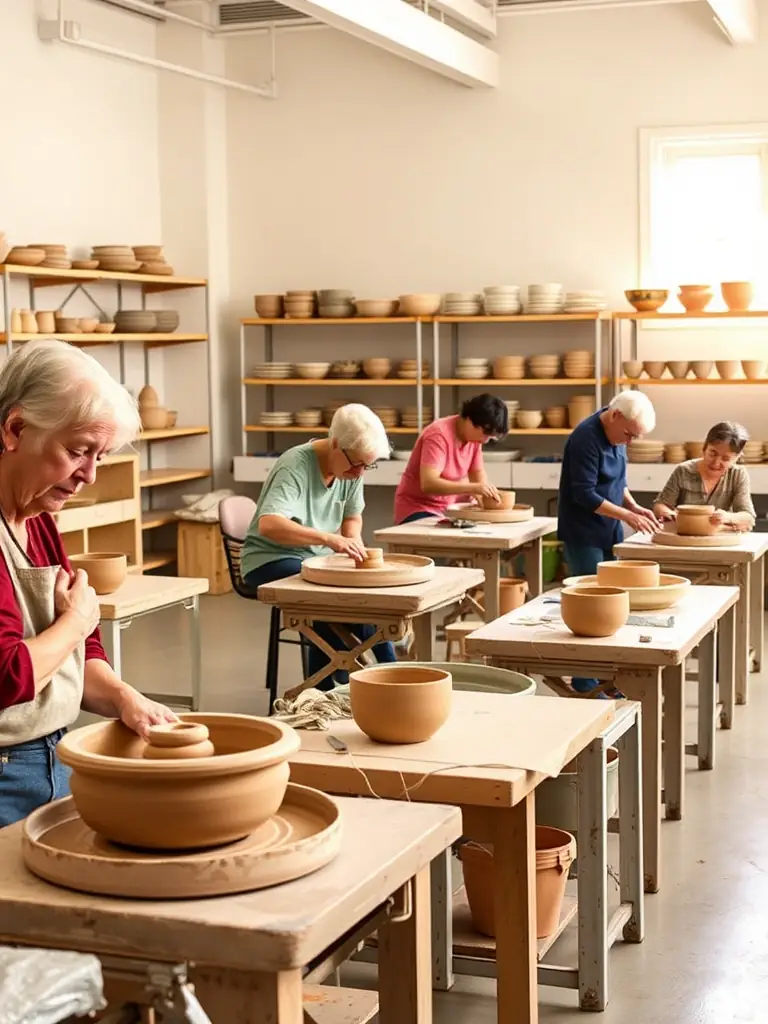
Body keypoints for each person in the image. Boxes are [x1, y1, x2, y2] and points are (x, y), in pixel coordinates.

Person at [0, 339, 177, 828]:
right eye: (78, 451)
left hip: (52, 756)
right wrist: (75, 621)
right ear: (15, 429)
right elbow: (8, 676)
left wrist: (125, 699)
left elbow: (80, 655)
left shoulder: (36, 518)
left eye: (101, 456)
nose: (90, 476)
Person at [241, 403, 394, 689]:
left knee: (368, 602)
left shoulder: (351, 468)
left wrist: (352, 540)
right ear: (335, 443)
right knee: (326, 600)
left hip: (314, 558)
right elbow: (269, 524)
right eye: (357, 464)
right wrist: (329, 539)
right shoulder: (295, 465)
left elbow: (352, 516)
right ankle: (330, 688)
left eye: (367, 465)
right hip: (270, 558)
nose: (360, 473)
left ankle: (388, 675)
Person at [558, 390, 661, 696]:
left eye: (635, 438)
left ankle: (606, 678)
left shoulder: (618, 431)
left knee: (612, 605)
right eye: (629, 435)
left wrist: (634, 507)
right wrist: (627, 516)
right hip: (583, 531)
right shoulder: (585, 439)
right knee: (592, 607)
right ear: (615, 416)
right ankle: (585, 682)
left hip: (608, 527)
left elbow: (618, 482)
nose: (629, 442)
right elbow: (585, 494)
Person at [394, 394, 509, 525]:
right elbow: (428, 483)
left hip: (449, 509)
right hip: (419, 508)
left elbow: (477, 474)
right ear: (469, 419)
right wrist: (472, 488)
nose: (485, 440)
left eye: (490, 437)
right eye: (485, 434)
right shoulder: (438, 435)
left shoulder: (474, 438)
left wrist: (485, 498)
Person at [653, 421, 755, 532]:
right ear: (704, 448)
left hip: (719, 536)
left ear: (736, 458)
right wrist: (670, 514)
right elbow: (660, 505)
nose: (716, 463)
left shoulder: (738, 474)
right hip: (685, 534)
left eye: (725, 459)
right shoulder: (684, 470)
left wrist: (728, 517)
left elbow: (748, 517)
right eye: (712, 454)